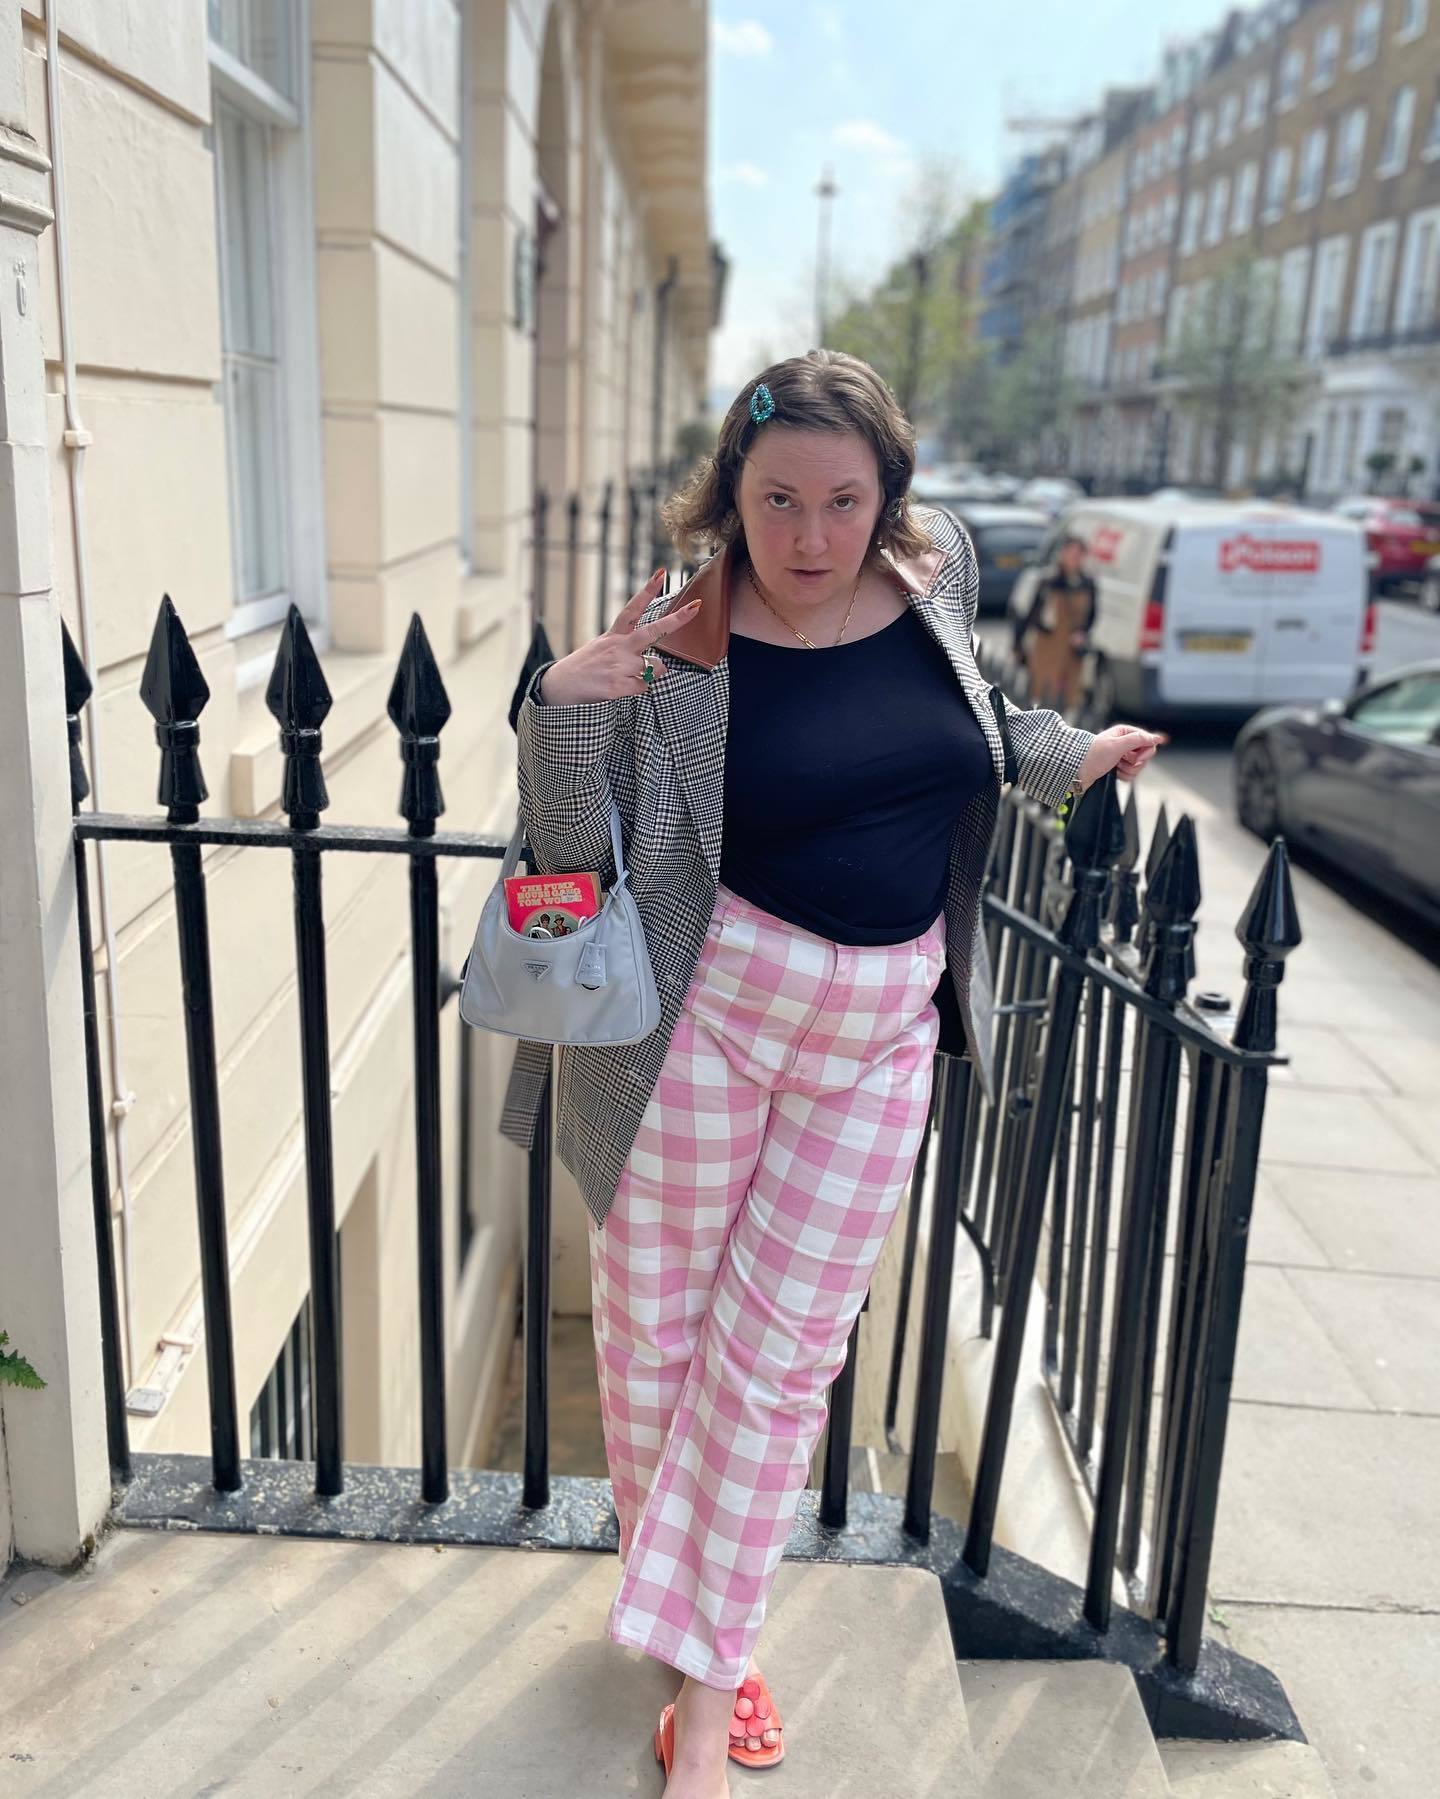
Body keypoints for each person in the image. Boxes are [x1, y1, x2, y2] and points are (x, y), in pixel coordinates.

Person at [499, 351, 1160, 1797]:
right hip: (704, 1015)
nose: (812, 535)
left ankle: (700, 1653)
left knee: (783, 1357)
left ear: (890, 496)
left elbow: (974, 729)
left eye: (844, 500)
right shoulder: (678, 634)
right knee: (659, 1336)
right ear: (730, 496)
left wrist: (1071, 756)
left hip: (877, 1031)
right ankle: (707, 1665)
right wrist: (562, 710)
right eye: (779, 498)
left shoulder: (936, 575)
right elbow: (567, 867)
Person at [1013, 532, 1097, 713]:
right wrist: (1018, 644)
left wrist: (1083, 633)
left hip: (1072, 649)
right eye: (1070, 554)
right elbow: (1028, 613)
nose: (1074, 559)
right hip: (1048, 645)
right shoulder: (1048, 581)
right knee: (1042, 692)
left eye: (1078, 555)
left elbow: (1092, 615)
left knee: (1069, 696)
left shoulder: (1087, 583)